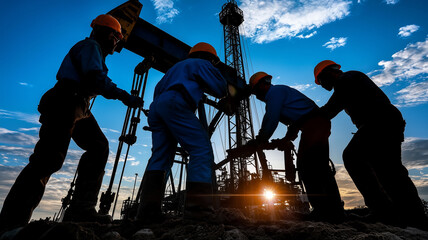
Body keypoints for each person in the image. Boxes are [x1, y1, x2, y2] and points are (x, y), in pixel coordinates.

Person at [0, 14, 144, 232]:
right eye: (116, 38)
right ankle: (11, 222)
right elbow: (95, 77)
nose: (116, 43)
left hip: (79, 104)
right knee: (48, 158)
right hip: (66, 100)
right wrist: (123, 95)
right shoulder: (90, 46)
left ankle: (81, 209)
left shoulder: (94, 50)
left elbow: (95, 79)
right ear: (109, 35)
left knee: (98, 147)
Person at [314, 60, 428, 229]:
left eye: (321, 81)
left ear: (328, 73)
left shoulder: (346, 79)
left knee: (353, 157)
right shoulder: (350, 80)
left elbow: (331, 108)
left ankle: (387, 212)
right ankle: (408, 215)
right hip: (385, 122)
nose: (322, 86)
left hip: (379, 122)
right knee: (388, 171)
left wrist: (309, 116)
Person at [136, 42, 228, 223]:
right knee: (201, 150)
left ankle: (147, 212)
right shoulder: (203, 64)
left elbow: (158, 90)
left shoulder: (175, 68)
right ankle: (198, 211)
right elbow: (221, 88)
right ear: (211, 58)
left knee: (160, 156)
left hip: (158, 106)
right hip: (176, 102)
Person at [247, 72, 344, 222]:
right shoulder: (281, 93)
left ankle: (324, 211)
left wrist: (259, 139)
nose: (256, 96)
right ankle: (334, 210)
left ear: (261, 85)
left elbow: (271, 119)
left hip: (314, 124)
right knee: (319, 167)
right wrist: (285, 139)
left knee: (307, 166)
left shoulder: (275, 93)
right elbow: (296, 123)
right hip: (314, 124)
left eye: (255, 92)